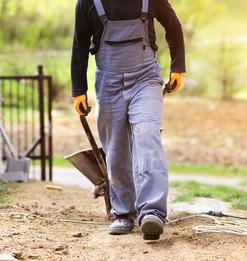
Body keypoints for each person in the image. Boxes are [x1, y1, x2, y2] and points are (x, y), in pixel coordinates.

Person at [70, 0, 186, 240]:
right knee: (116, 148)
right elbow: (79, 45)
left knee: (147, 136)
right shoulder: (88, 3)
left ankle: (152, 212)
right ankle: (124, 213)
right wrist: (78, 89)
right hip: (109, 84)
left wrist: (177, 67)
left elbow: (173, 25)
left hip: (145, 79)